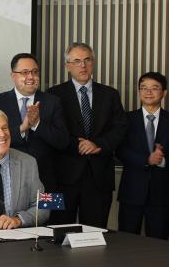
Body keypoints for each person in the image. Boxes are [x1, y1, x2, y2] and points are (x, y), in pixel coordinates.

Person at [47, 42, 127, 228]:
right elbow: (51, 132)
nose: (82, 66)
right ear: (67, 66)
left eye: (87, 60)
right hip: (61, 179)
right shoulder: (53, 95)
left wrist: (98, 144)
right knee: (57, 232)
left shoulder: (110, 94)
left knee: (95, 234)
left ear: (93, 62)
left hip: (99, 178)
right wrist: (76, 144)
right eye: (76, 61)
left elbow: (121, 127)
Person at [0, 53, 69, 192]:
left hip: (46, 180)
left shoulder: (53, 101)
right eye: (25, 72)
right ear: (13, 76)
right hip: (8, 179)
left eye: (35, 72)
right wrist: (22, 128)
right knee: (9, 214)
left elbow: (63, 141)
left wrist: (37, 124)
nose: (31, 77)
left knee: (47, 214)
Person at [117, 72, 169, 240]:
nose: (148, 92)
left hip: (162, 195)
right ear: (138, 92)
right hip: (132, 192)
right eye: (144, 88)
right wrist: (146, 160)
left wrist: (161, 161)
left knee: (159, 245)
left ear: (164, 93)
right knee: (126, 242)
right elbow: (119, 150)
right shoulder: (126, 120)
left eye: (154, 88)